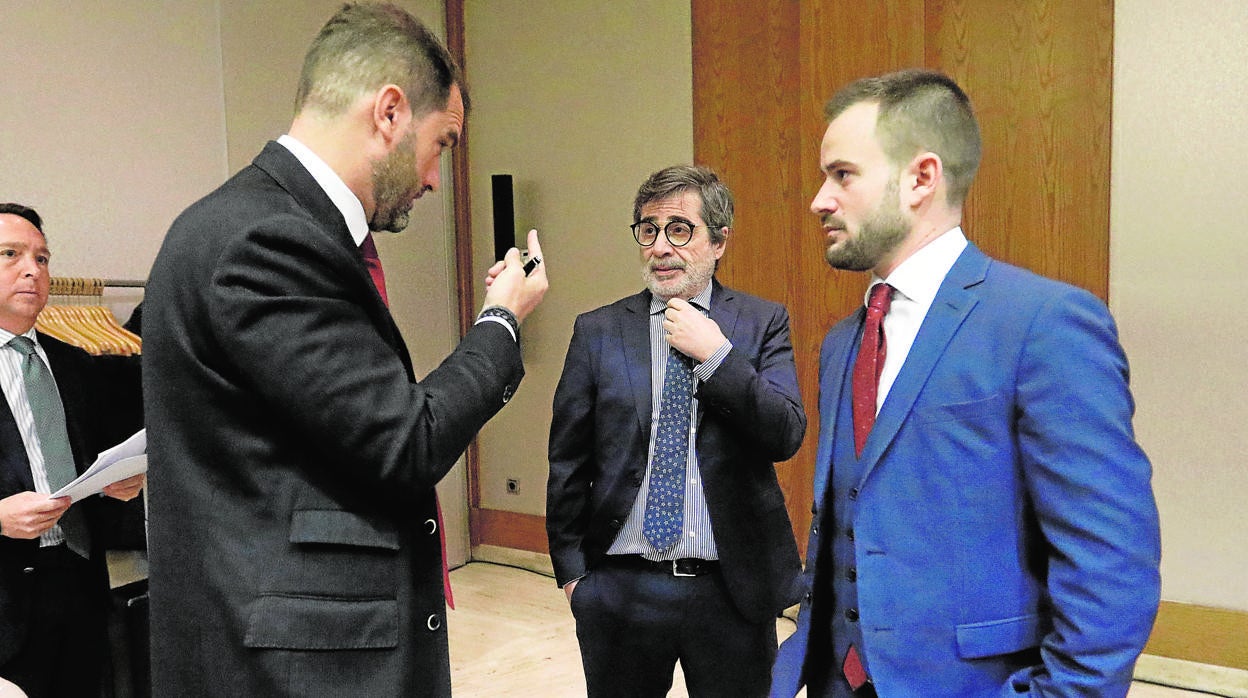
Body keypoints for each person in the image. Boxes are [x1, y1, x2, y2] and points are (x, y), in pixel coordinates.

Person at [142, 4, 547, 696]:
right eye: (442, 145)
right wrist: (500, 321)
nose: (434, 179)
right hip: (300, 666)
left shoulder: (262, 224)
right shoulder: (268, 242)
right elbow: (404, 443)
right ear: (390, 113)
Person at [770, 69, 1161, 697]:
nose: (820, 199)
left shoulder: (1044, 324)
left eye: (842, 175)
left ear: (921, 178)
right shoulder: (844, 343)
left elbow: (1110, 566)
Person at [547, 165, 806, 697]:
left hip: (730, 590)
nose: (661, 246)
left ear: (719, 241)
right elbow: (568, 458)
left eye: (680, 229)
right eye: (649, 229)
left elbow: (786, 433)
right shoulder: (598, 331)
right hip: (621, 585)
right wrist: (575, 577)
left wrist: (716, 357)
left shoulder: (761, 323)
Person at [0, 203, 146, 697]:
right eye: (11, 254)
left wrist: (118, 485)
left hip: (80, 586)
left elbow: (93, 461)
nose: (31, 270)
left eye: (42, 259)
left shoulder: (74, 364)